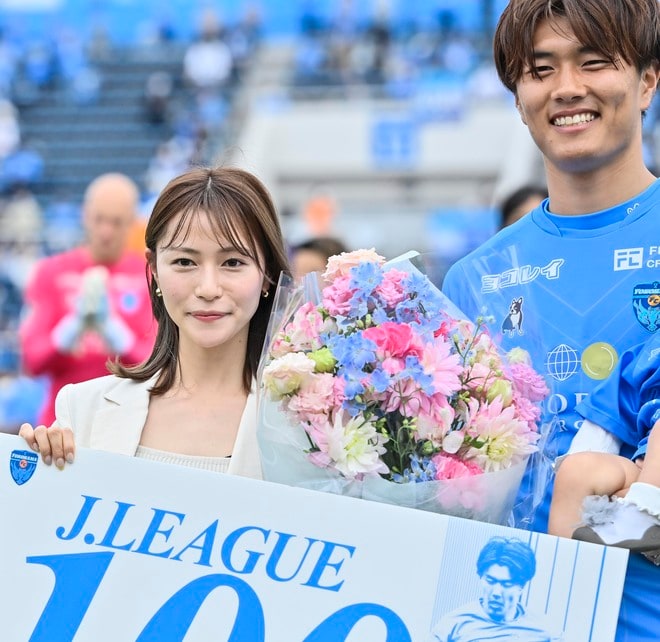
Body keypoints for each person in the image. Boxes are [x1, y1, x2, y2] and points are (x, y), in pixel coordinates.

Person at [440, 1, 660, 639]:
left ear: (647, 80)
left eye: (594, 62)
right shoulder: (474, 280)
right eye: (541, 70)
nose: (567, 88)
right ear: (518, 97)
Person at [19, 166, 290, 479]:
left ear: (267, 273)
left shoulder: (306, 423)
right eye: (185, 262)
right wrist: (39, 477)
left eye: (233, 262)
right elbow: (33, 359)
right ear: (155, 269)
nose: (208, 289)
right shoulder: (81, 409)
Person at [19, 173, 157, 427]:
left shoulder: (149, 275)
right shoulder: (52, 271)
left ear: (132, 223)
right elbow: (32, 360)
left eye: (117, 222)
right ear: (85, 215)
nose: (106, 231)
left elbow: (158, 363)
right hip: (61, 424)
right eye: (99, 219)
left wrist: (116, 335)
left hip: (126, 424)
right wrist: (69, 330)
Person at [548, 331, 660, 557]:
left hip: (649, 492)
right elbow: (617, 402)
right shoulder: (652, 354)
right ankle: (562, 565)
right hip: (645, 474)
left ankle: (646, 516)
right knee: (578, 469)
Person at [429, 537, 563, 642]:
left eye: (506, 584)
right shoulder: (452, 625)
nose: (496, 593)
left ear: (521, 587)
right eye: (490, 581)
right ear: (481, 577)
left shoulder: (547, 631)